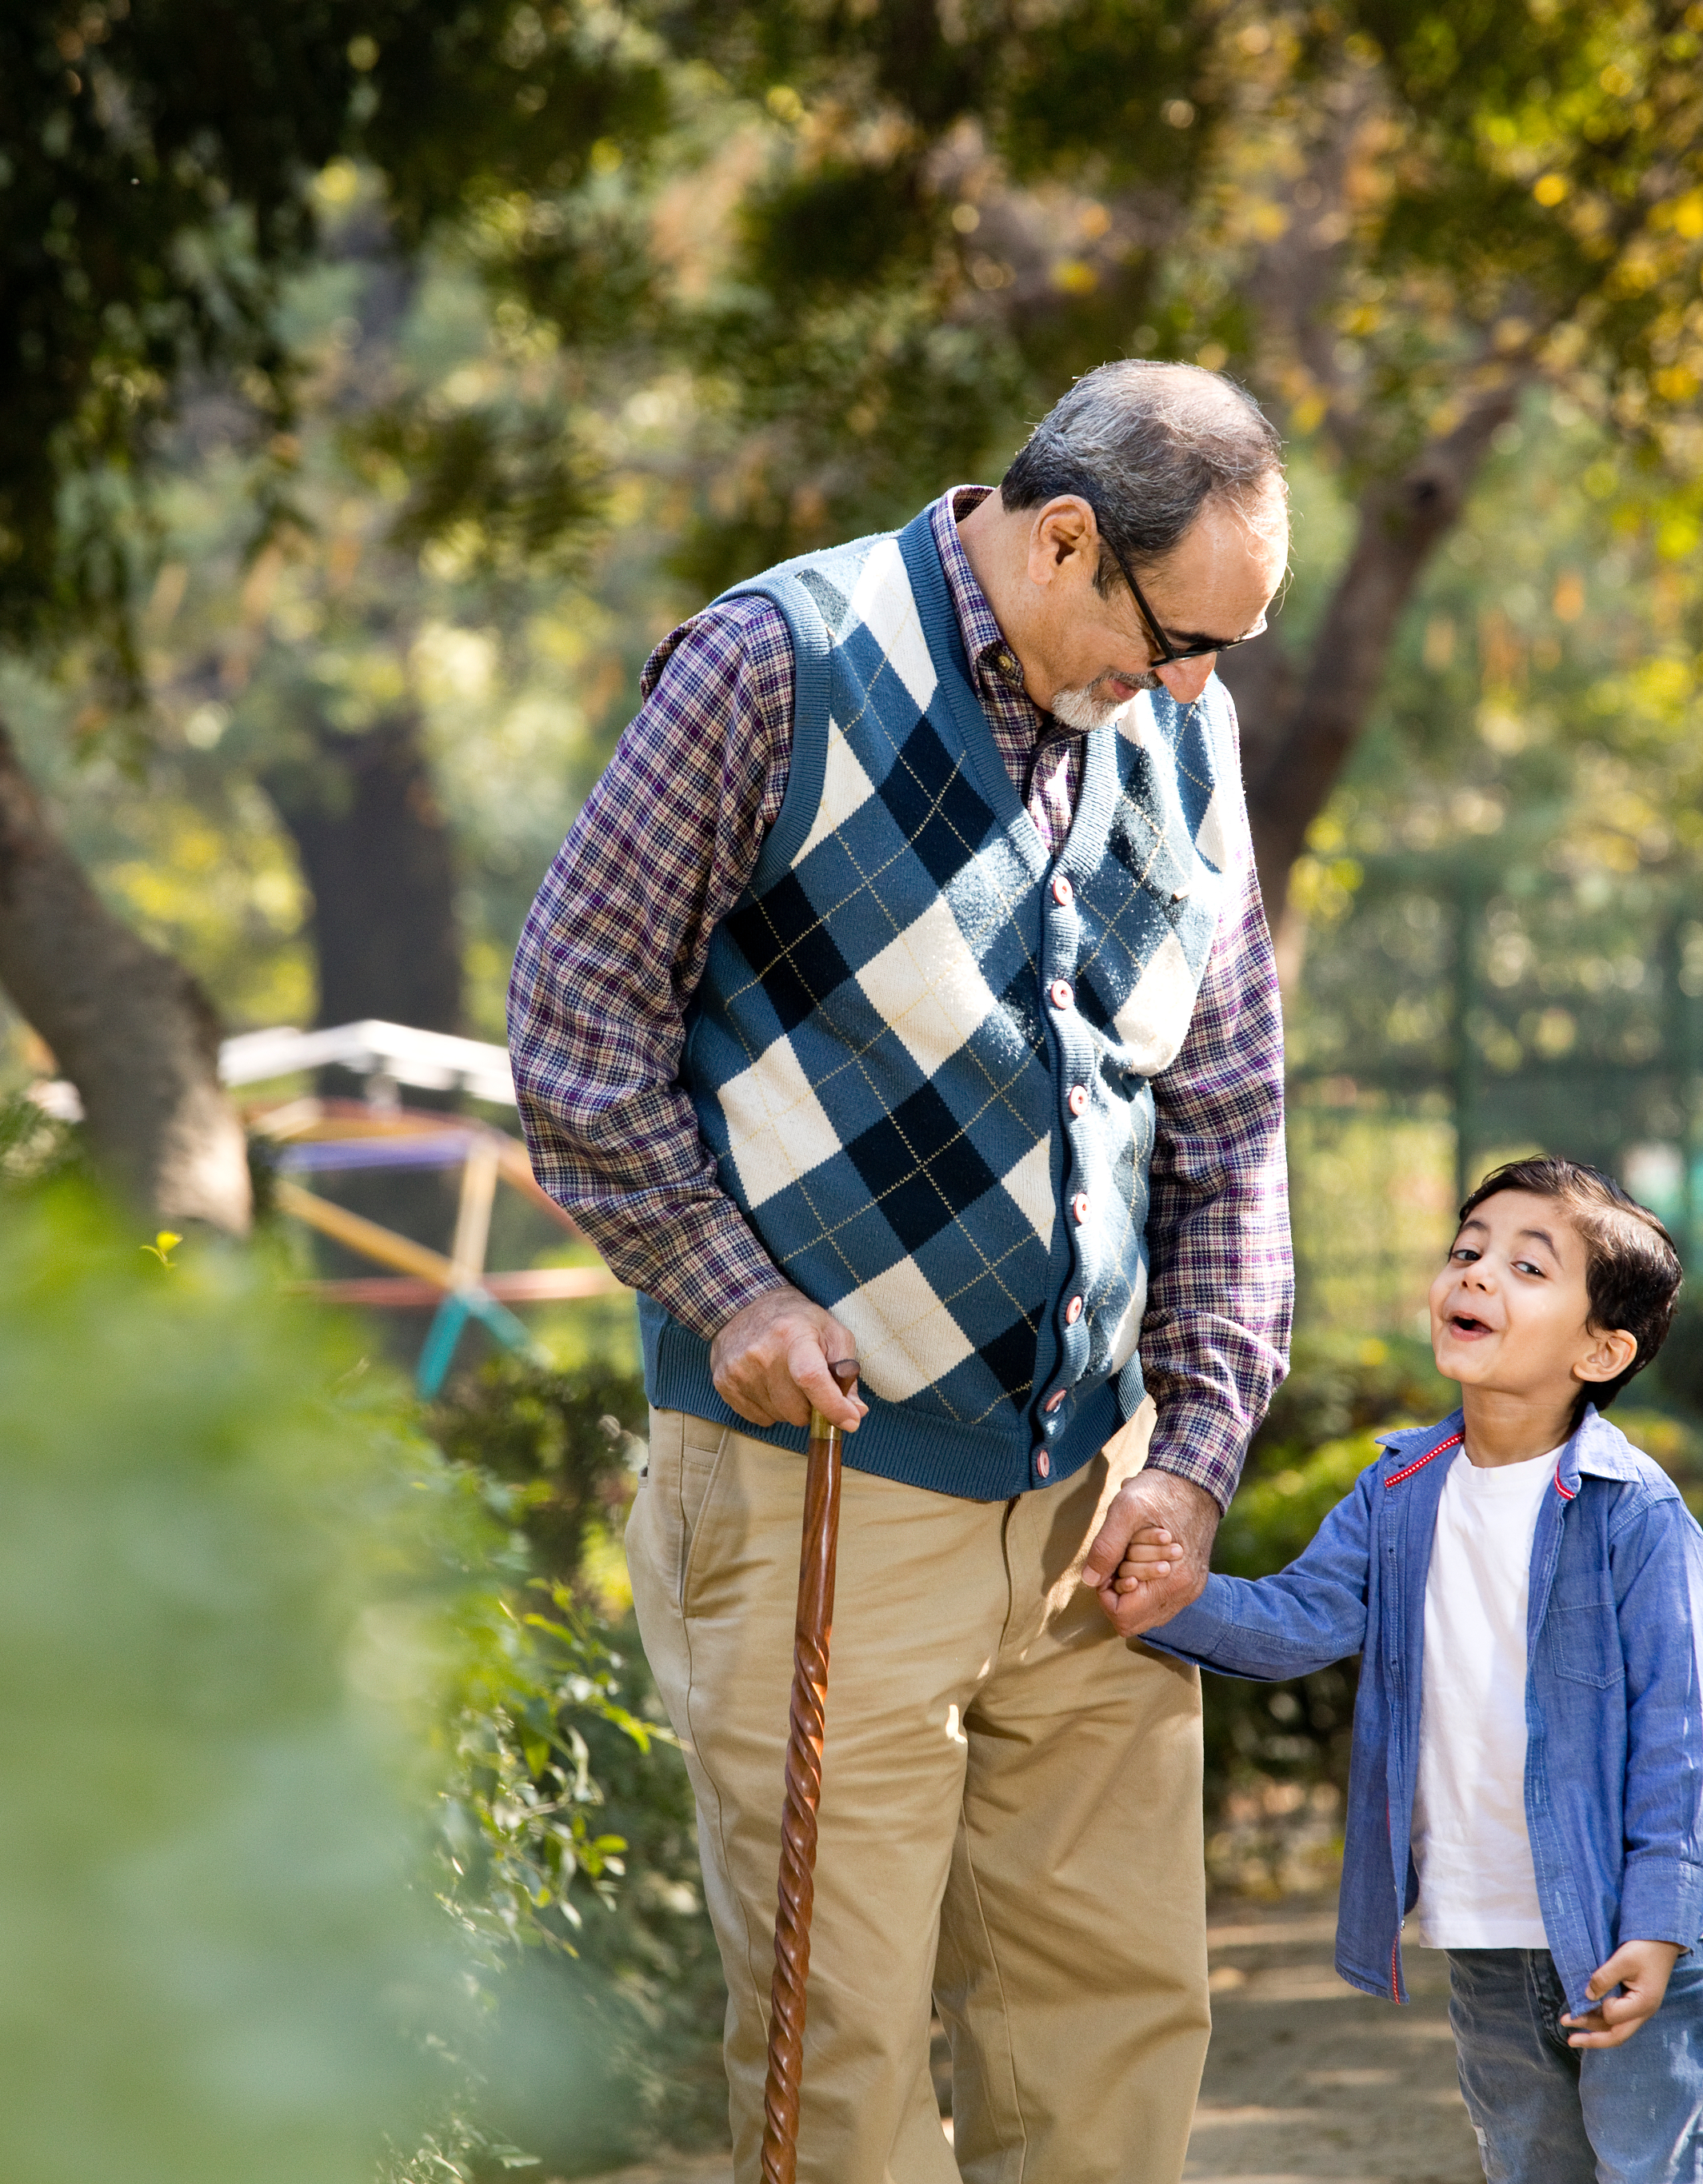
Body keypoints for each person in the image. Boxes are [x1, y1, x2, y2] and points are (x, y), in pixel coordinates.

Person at [506, 361, 1296, 2184]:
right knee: (840, 2073)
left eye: (1232, 651)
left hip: (1099, 1493)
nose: (1195, 689)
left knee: (1111, 2049)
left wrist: (1192, 1452)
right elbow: (575, 1028)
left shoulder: (1187, 726)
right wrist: (730, 1290)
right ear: (1066, 541)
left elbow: (1233, 1119)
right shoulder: (775, 669)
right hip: (821, 1486)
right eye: (1182, 638)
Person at [1108, 1156, 1703, 2184]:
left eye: (1529, 1268)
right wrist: (1183, 1599)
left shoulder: (1638, 1515)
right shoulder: (1397, 1490)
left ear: (1601, 1348)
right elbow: (1302, 1618)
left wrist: (1661, 1929)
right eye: (1467, 1250)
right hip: (1483, 1933)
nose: (1478, 1275)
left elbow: (1679, 1741)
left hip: (1626, 1948)